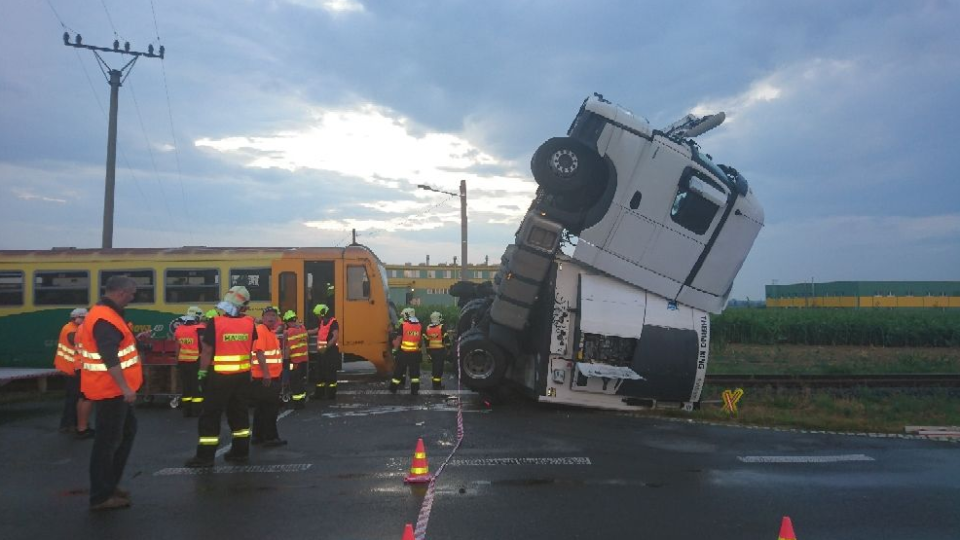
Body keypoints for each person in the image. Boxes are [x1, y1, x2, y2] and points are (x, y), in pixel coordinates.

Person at [76, 276, 143, 511]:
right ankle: (101, 495)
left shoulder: (106, 314)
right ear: (122, 293)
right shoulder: (105, 318)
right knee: (107, 442)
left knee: (125, 433)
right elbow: (109, 355)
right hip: (111, 390)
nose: (133, 297)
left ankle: (109, 485)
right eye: (132, 293)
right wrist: (125, 388)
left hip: (113, 389)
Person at [185, 286, 257, 468]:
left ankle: (205, 457)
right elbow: (249, 349)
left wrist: (201, 373)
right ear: (244, 306)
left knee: (210, 415)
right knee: (239, 414)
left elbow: (207, 351)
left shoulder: (216, 323)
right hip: (241, 376)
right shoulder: (249, 323)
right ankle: (241, 452)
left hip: (219, 377)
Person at [55, 307, 94, 438]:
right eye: (84, 318)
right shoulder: (71, 330)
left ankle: (74, 424)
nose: (85, 321)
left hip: (70, 368)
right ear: (76, 318)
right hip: (70, 369)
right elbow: (78, 341)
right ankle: (69, 425)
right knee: (74, 398)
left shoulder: (71, 327)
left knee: (75, 397)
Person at [251, 306, 285, 446]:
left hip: (268, 376)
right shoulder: (261, 330)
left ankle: (258, 436)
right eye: (268, 315)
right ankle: (270, 437)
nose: (271, 318)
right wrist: (266, 374)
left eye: (274, 315)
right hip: (265, 378)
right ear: (263, 317)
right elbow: (260, 353)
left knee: (261, 409)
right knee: (270, 409)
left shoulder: (269, 332)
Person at [174, 306, 204, 417]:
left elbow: (177, 348)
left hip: (182, 362)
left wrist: (177, 360)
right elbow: (203, 345)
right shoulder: (199, 328)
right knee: (196, 387)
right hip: (196, 361)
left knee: (186, 388)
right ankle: (197, 411)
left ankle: (187, 411)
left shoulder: (179, 329)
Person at [389, 307, 423, 395]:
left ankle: (393, 389)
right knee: (415, 374)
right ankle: (414, 391)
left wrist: (394, 349)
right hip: (415, 354)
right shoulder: (419, 325)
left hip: (404, 353)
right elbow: (420, 341)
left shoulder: (403, 325)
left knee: (398, 371)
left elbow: (399, 338)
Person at [310, 304, 340, 400]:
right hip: (322, 352)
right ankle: (319, 393)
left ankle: (331, 394)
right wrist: (303, 332)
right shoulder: (322, 322)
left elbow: (335, 337)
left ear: (323, 314)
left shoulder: (333, 322)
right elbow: (316, 330)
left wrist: (326, 347)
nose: (318, 317)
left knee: (330, 373)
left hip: (330, 352)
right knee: (320, 373)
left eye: (318, 315)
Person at [283, 310, 309, 409]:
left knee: (294, 382)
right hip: (303, 360)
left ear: (287, 322)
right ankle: (301, 400)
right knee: (300, 381)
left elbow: (288, 348)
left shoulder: (289, 332)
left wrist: (285, 361)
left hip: (294, 361)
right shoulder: (302, 328)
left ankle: (297, 403)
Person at [424, 311, 450, 390]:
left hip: (431, 351)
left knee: (434, 367)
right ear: (439, 319)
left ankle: (434, 384)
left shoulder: (428, 328)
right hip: (439, 351)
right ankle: (437, 386)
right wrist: (449, 349)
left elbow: (426, 342)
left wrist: (428, 353)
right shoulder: (441, 327)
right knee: (439, 369)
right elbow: (447, 340)